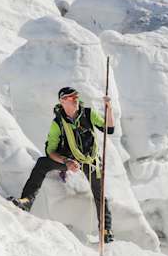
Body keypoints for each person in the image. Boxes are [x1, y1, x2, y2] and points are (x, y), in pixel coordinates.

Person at [9, 86, 115, 243]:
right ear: (63, 101)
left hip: (90, 160)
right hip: (68, 159)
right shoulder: (57, 123)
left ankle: (106, 230)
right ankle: (27, 200)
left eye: (76, 97)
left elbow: (109, 129)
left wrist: (109, 108)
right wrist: (66, 161)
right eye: (72, 97)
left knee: (99, 193)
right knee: (42, 163)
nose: (76, 100)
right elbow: (50, 151)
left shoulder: (88, 114)